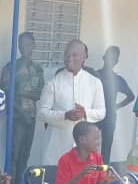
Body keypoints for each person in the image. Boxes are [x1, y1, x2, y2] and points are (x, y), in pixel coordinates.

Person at [37, 40, 106, 172]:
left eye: (74, 55)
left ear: (83, 57)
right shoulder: (53, 83)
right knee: (55, 180)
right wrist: (65, 115)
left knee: (83, 181)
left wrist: (85, 113)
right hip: (57, 147)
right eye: (67, 55)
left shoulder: (95, 83)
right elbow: (42, 113)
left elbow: (101, 112)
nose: (69, 58)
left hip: (85, 149)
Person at [0, 31, 45, 184]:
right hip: (16, 117)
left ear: (34, 45)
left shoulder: (38, 68)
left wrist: (19, 92)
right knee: (13, 154)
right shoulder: (10, 67)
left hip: (31, 117)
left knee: (25, 155)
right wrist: (20, 110)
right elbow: (6, 94)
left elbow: (39, 94)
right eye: (21, 44)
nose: (24, 47)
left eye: (28, 44)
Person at [95, 46, 135, 163]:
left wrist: (116, 106)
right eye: (109, 56)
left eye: (114, 58)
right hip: (93, 115)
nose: (111, 60)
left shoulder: (118, 79)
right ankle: (88, 170)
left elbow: (131, 96)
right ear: (104, 57)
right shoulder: (93, 75)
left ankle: (103, 171)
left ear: (117, 61)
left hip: (109, 116)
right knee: (89, 145)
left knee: (106, 147)